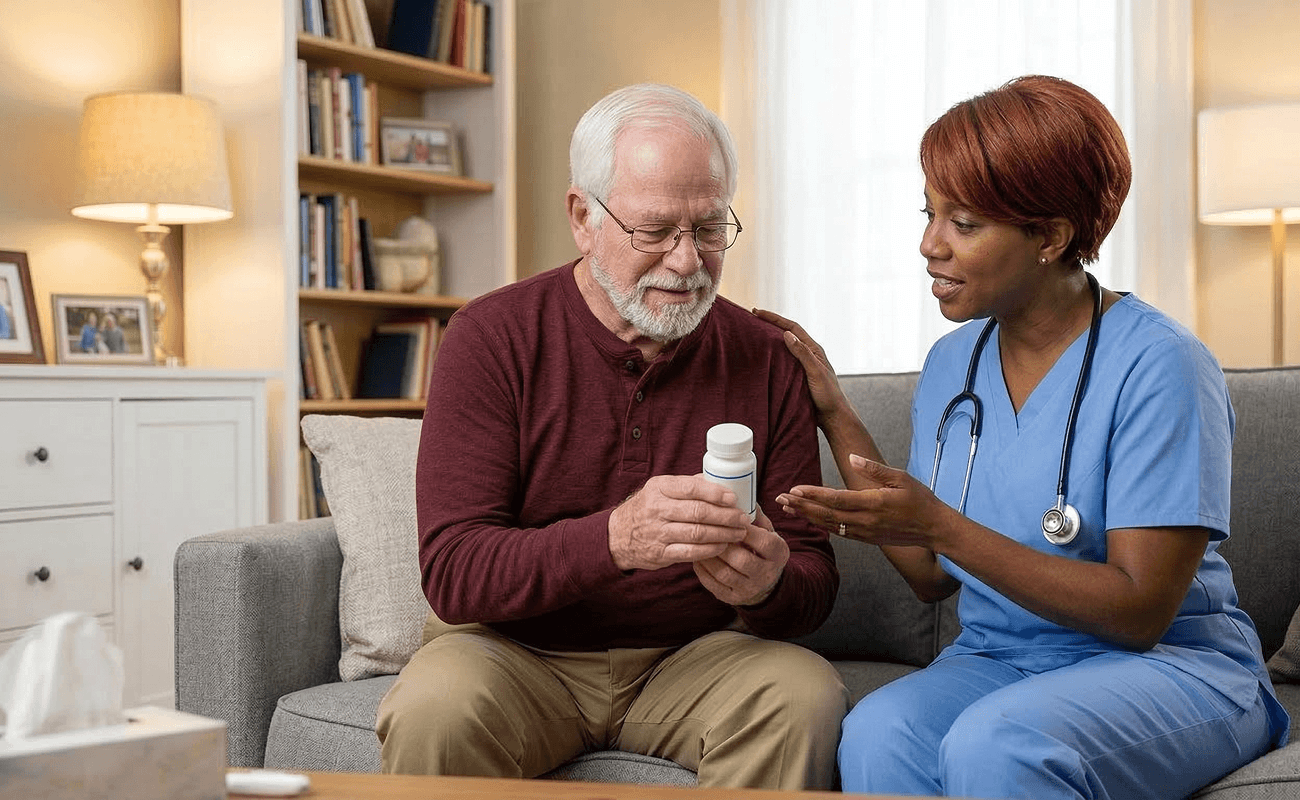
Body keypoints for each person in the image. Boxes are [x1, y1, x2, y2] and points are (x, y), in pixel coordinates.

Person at [759, 74, 1290, 799]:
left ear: (1051, 236)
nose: (929, 245)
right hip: (1001, 659)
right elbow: (931, 575)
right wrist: (833, 411)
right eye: (929, 214)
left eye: (964, 224)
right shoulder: (954, 364)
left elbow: (1139, 612)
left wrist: (940, 524)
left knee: (1001, 743)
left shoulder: (1161, 364)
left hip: (1171, 666)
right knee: (879, 731)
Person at [375, 83, 847, 790]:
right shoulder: (490, 338)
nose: (687, 262)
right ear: (583, 217)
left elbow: (813, 579)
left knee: (802, 695)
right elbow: (454, 572)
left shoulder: (765, 355)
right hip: (513, 653)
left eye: (709, 228)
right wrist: (615, 540)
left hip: (696, 656)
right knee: (435, 710)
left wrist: (770, 585)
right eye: (654, 232)